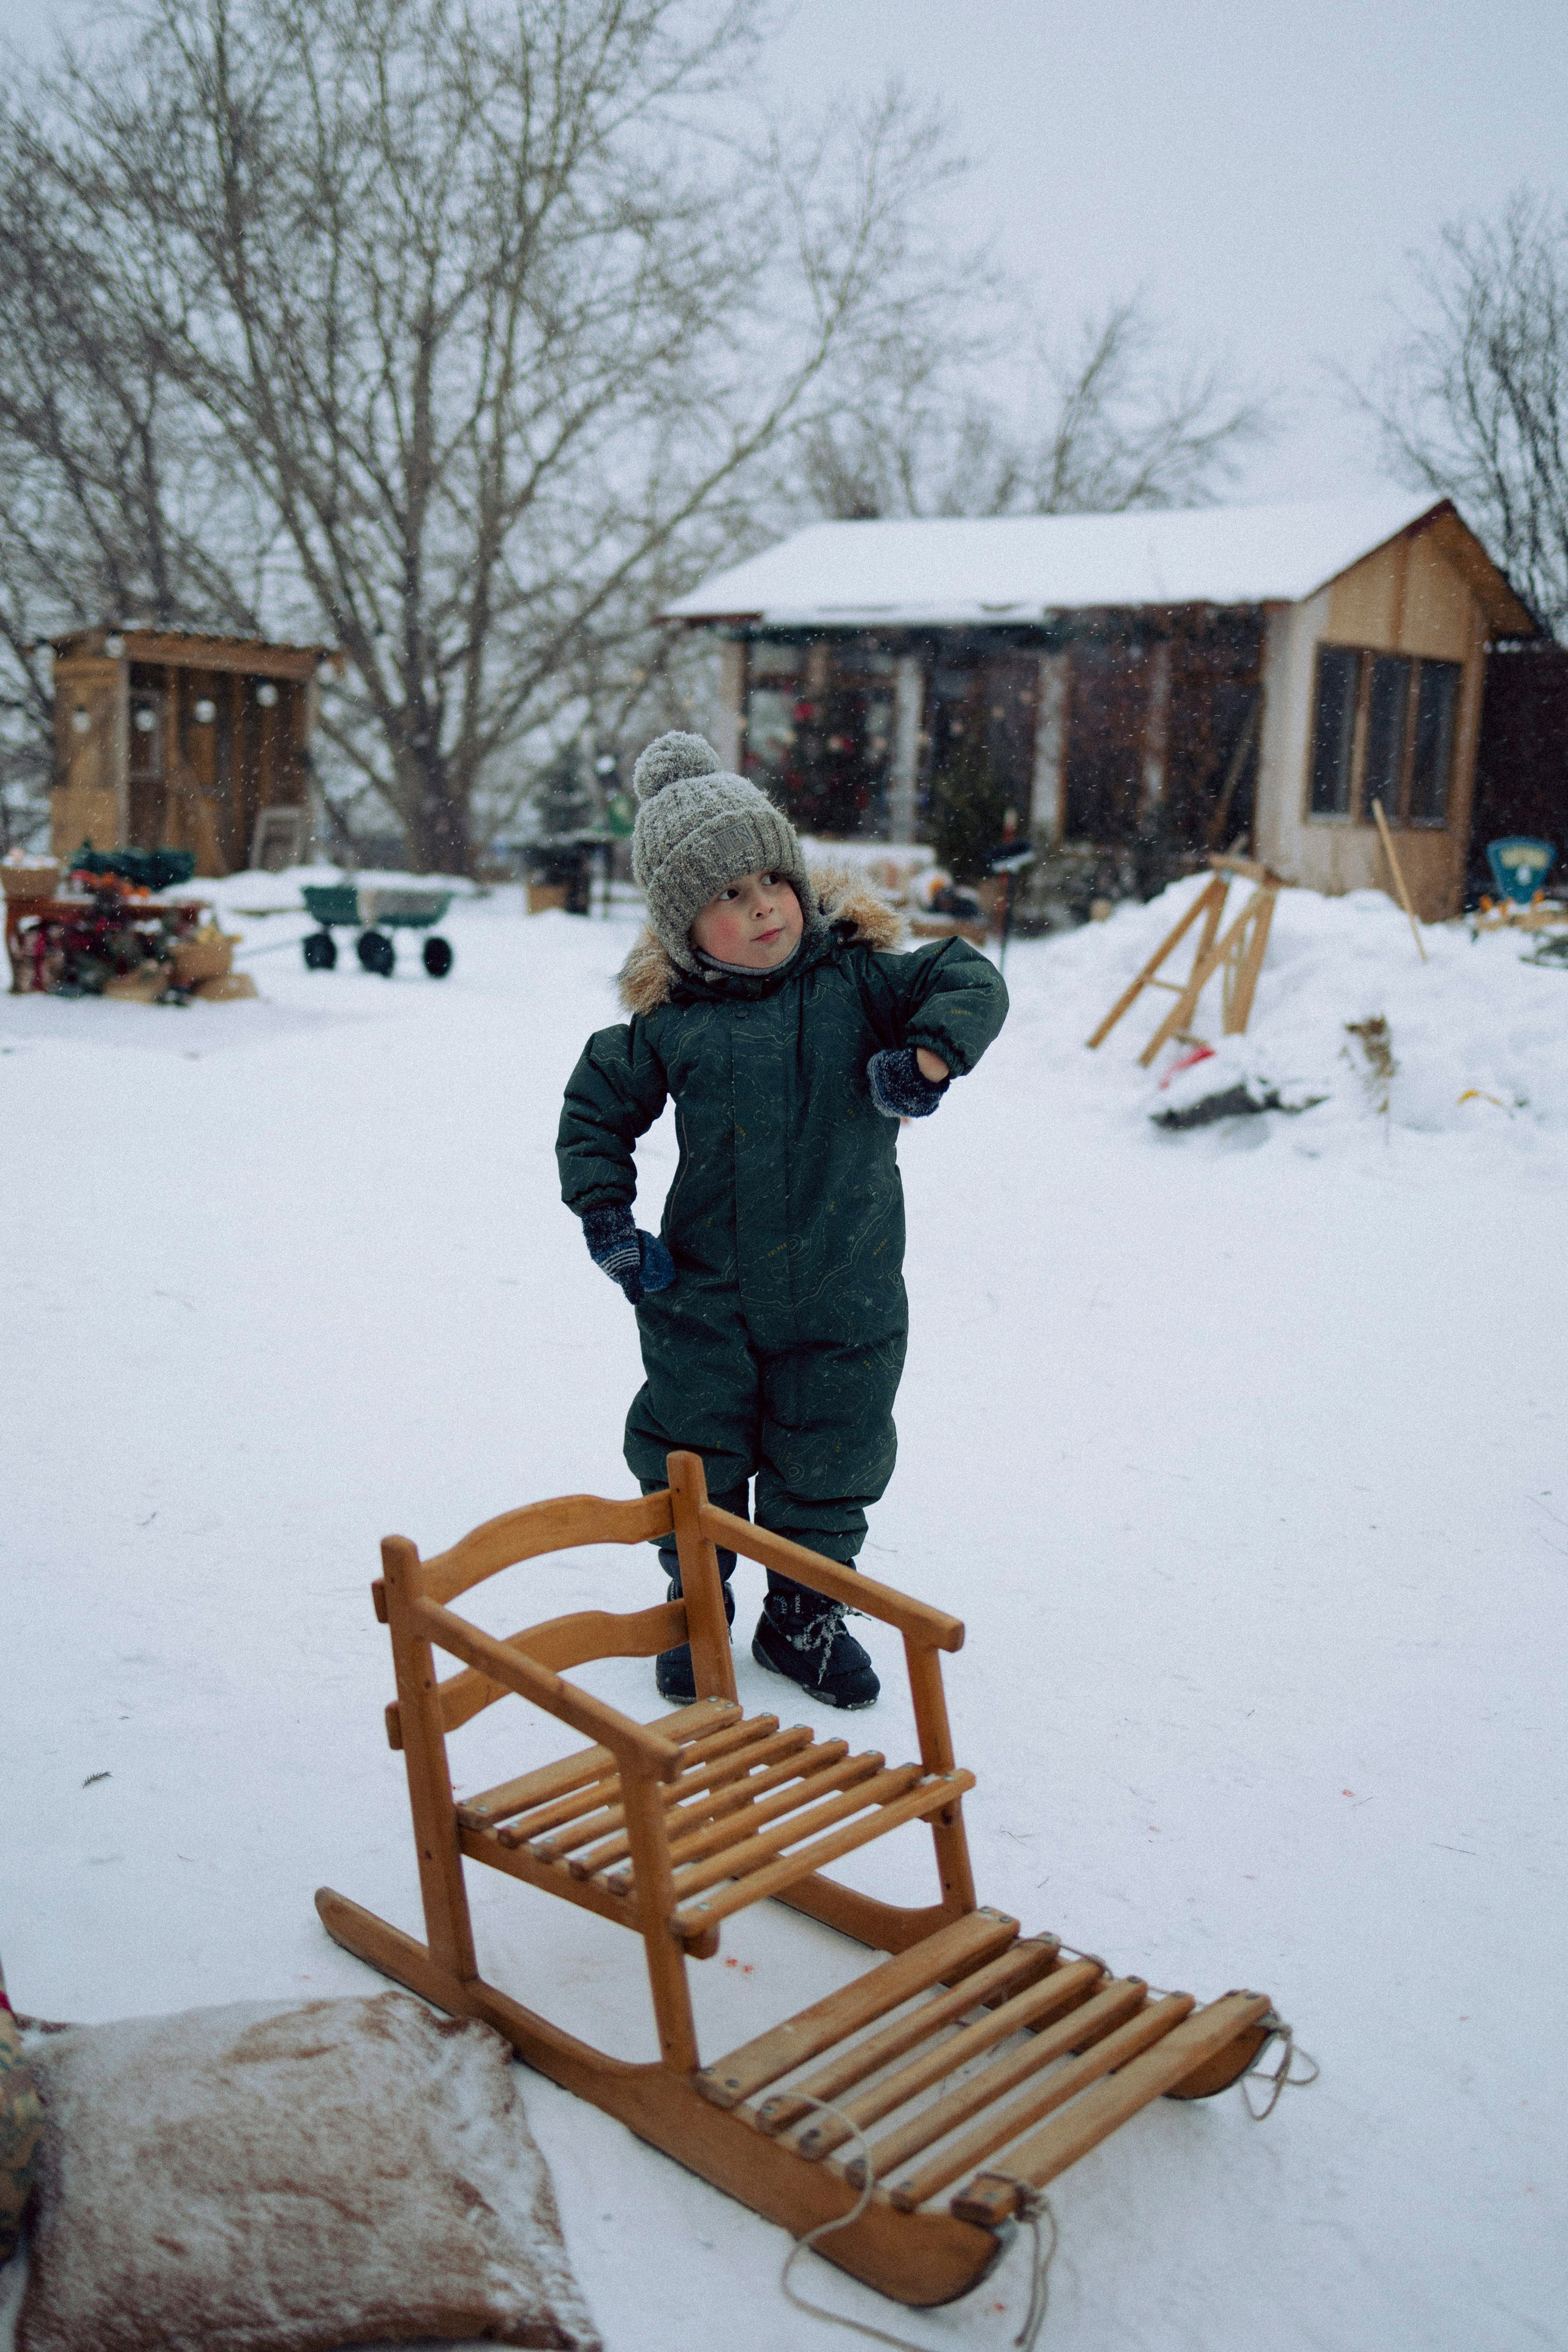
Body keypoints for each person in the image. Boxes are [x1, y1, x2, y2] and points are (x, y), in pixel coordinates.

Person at [557, 731, 1008, 1709]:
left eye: (772, 878)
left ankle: (803, 1615)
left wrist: (927, 1059)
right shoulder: (669, 1028)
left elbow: (971, 978)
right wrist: (607, 1220)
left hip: (845, 1286)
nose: (761, 905)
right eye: (724, 894)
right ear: (682, 927)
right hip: (703, 1293)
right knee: (693, 1452)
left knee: (833, 1447)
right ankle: (698, 1608)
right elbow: (595, 1109)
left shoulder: (861, 984)